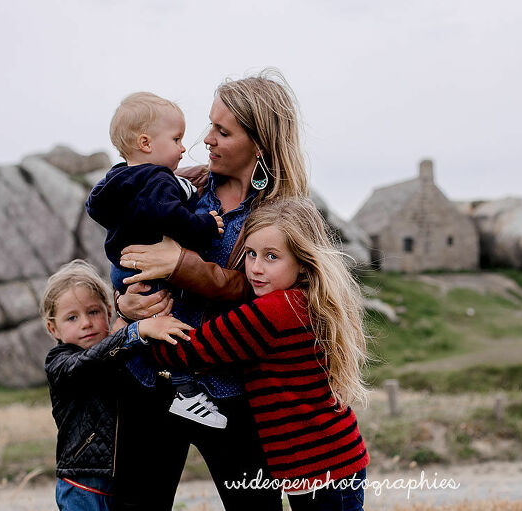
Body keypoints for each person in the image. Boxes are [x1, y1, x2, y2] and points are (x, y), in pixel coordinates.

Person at [112, 68, 309, 510]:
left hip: (234, 393)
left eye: (222, 131)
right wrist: (126, 303)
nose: (206, 139)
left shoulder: (283, 213)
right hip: (153, 381)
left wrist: (181, 264)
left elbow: (276, 300)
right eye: (210, 125)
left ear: (259, 145)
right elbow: (129, 256)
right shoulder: (181, 186)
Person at [150, 198, 370, 510]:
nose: (255, 268)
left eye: (271, 257)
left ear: (301, 261)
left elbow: (187, 351)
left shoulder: (274, 311)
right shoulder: (305, 300)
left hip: (321, 468)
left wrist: (141, 328)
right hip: (333, 458)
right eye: (251, 253)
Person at [85, 92, 227, 429]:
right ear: (146, 143)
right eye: (176, 139)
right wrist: (205, 225)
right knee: (173, 324)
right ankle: (185, 390)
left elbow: (98, 209)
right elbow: (170, 216)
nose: (183, 147)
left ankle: (144, 370)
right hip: (151, 271)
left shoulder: (117, 179)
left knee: (151, 323)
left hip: (124, 270)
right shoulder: (157, 180)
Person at [41, 260, 187, 511]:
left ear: (109, 312)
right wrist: (135, 332)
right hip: (83, 484)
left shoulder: (120, 352)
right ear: (52, 327)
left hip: (125, 485)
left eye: (93, 312)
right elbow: (87, 364)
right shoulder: (59, 362)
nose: (85, 323)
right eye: (72, 318)